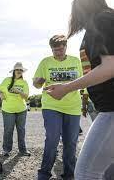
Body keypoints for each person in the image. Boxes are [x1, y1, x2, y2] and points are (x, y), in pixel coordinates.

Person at [45, 0, 114, 179]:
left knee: (86, 172)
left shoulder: (101, 20)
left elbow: (110, 66)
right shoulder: (106, 18)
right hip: (107, 106)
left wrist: (66, 88)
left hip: (112, 108)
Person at [33, 35, 83, 180]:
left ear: (66, 47)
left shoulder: (75, 61)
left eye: (61, 49)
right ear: (51, 49)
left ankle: (69, 174)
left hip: (73, 106)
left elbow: (84, 82)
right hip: (51, 105)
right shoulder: (45, 62)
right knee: (52, 139)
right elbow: (36, 84)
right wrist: (38, 82)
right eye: (56, 50)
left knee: (70, 142)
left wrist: (85, 99)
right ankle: (44, 173)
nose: (59, 53)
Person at [0, 62, 30, 157]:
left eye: (21, 70)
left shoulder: (24, 83)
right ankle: (6, 150)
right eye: (17, 70)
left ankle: (23, 150)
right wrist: (2, 94)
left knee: (21, 130)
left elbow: (26, 97)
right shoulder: (7, 80)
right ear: (14, 71)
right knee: (8, 130)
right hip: (8, 110)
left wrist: (19, 91)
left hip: (21, 110)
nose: (19, 71)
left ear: (22, 72)